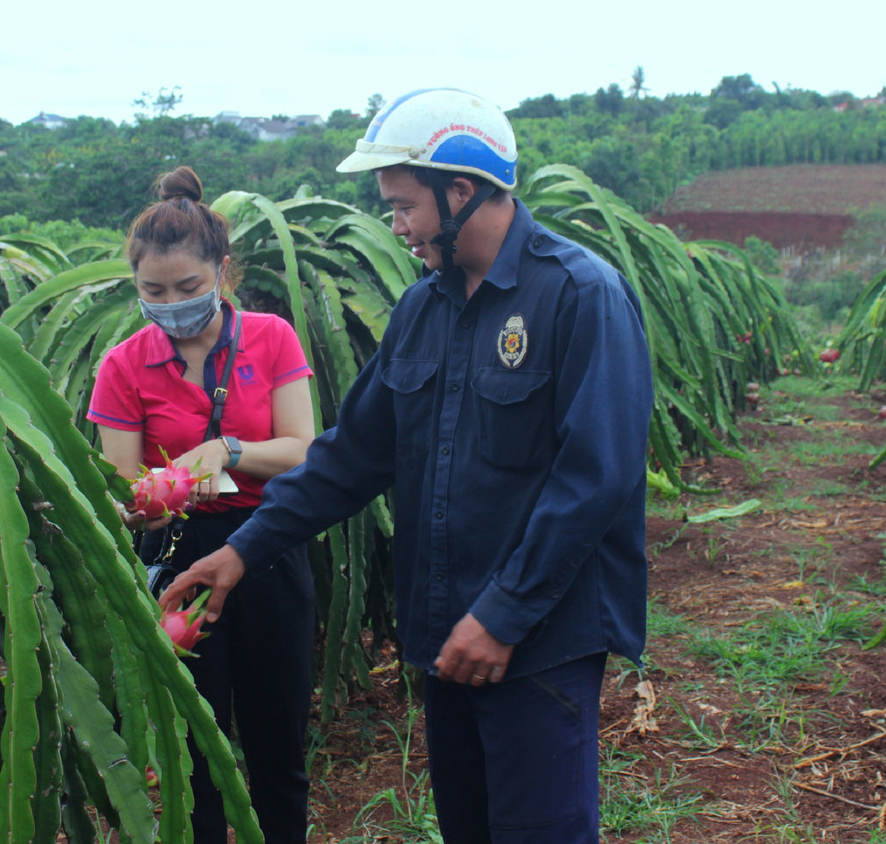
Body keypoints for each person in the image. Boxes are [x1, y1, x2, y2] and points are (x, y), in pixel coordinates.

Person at [163, 89, 653, 843]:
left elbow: (598, 478)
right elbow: (351, 456)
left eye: (403, 206)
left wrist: (503, 614)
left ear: (461, 189)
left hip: (539, 639)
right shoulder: (424, 308)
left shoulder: (580, 295)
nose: (396, 227)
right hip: (448, 635)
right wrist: (242, 550)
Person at [87, 165, 317, 844]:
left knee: (279, 743)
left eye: (188, 286)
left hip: (268, 543)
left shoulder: (271, 337)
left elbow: (305, 449)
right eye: (152, 290)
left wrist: (230, 451)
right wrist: (146, 503)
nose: (171, 301)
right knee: (196, 746)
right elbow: (125, 486)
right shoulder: (123, 365)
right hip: (181, 555)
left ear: (222, 270)